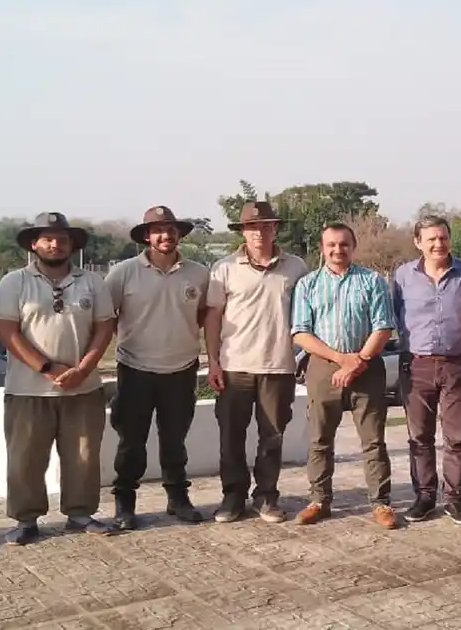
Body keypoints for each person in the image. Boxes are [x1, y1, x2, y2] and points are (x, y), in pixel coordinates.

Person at [0, 213, 118, 544]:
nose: (55, 244)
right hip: (28, 389)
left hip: (83, 388)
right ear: (34, 244)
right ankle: (26, 519)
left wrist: (84, 368)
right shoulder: (14, 282)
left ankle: (80, 514)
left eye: (62, 239)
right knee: (26, 459)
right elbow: (7, 331)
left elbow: (105, 327)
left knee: (83, 456)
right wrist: (48, 368)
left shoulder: (92, 282)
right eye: (47, 238)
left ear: (72, 245)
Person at [104, 206, 213, 530]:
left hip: (181, 369)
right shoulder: (123, 273)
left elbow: (206, 316)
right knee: (131, 441)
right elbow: (106, 320)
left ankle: (178, 499)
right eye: (158, 230)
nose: (166, 235)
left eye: (171, 229)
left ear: (179, 234)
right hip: (135, 368)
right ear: (147, 236)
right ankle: (124, 504)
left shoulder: (197, 273)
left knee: (175, 439)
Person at [205, 202, 309, 524]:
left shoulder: (296, 267)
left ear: (274, 228)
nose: (259, 233)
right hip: (235, 366)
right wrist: (213, 361)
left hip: (278, 366)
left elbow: (306, 317)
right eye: (253, 228)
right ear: (243, 232)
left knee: (273, 436)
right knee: (231, 437)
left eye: (265, 226)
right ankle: (232, 497)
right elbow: (212, 317)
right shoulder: (224, 268)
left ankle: (267, 497)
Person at [290, 222, 399, 529]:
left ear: (353, 246)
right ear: (322, 248)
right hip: (324, 366)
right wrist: (340, 359)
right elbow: (300, 332)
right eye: (331, 245)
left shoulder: (372, 281)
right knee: (320, 439)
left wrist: (359, 360)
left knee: (373, 440)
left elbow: (384, 326)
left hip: (367, 365)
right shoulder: (308, 284)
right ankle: (319, 500)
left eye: (344, 244)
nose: (338, 250)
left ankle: (381, 503)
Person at [391, 216, 461, 524]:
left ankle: (454, 498)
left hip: (459, 364)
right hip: (416, 364)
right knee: (419, 436)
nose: (437, 244)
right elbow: (392, 316)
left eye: (442, 237)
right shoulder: (403, 276)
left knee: (457, 437)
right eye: (430, 239)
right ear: (418, 242)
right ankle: (425, 496)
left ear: (449, 239)